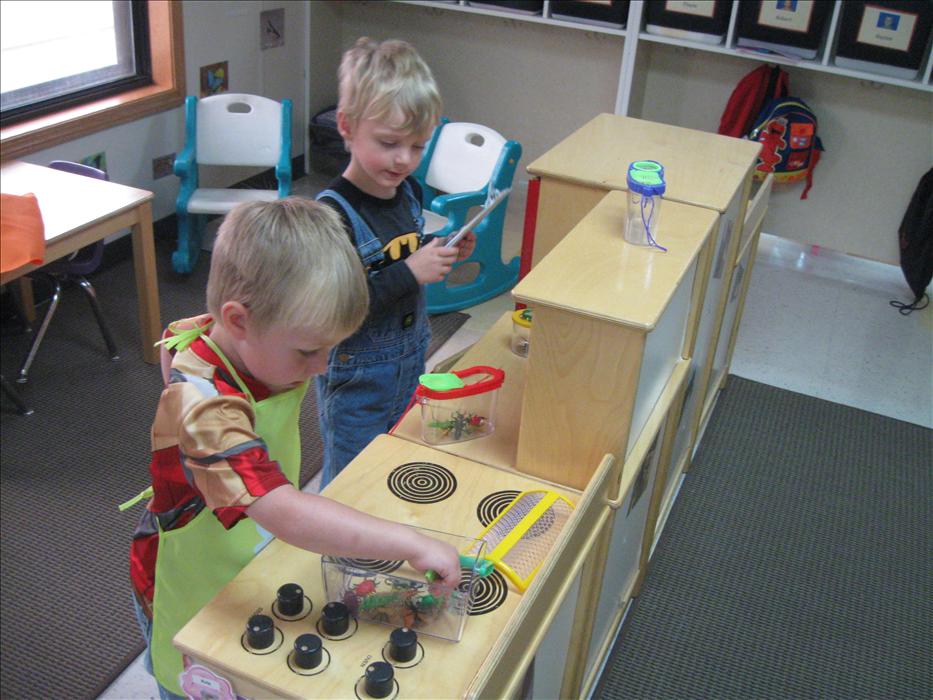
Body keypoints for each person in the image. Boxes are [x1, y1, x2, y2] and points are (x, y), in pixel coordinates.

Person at [125, 198, 461, 699]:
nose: (324, 367)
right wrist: (409, 542)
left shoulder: (238, 335)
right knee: (199, 682)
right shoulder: (202, 406)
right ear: (238, 320)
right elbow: (281, 509)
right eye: (308, 351)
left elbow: (174, 340)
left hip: (248, 551)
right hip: (195, 583)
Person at [316, 37, 476, 487]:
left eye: (418, 146)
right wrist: (412, 271)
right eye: (389, 143)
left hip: (408, 363)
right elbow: (333, 309)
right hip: (356, 382)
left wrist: (439, 245)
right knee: (351, 483)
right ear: (346, 126)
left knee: (393, 464)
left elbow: (401, 245)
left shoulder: (407, 191)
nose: (404, 159)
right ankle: (342, 555)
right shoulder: (331, 214)